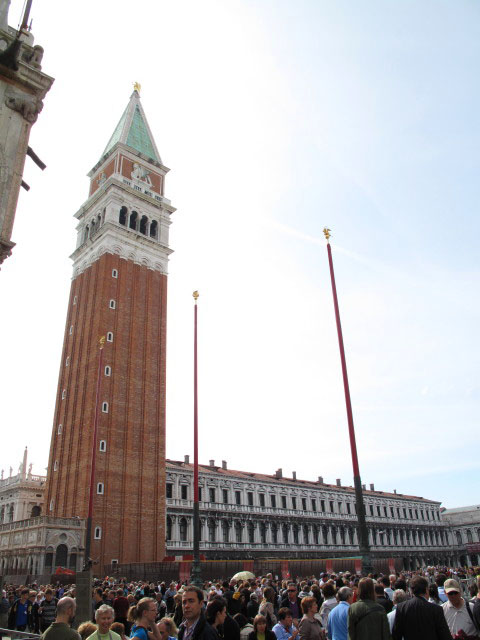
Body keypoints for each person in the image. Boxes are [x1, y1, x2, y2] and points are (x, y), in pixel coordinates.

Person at [391, 576, 451, 640]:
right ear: (426, 589)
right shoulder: (436, 609)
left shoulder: (401, 608)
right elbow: (445, 635)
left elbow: (396, 635)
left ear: (411, 591)